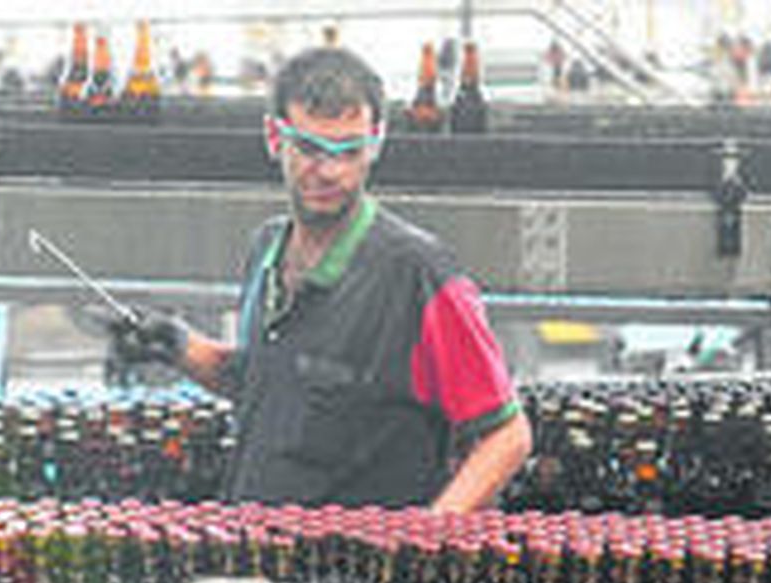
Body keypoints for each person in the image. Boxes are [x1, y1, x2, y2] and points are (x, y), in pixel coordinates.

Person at [110, 47, 531, 512]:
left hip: (357, 572)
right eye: (310, 149)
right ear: (274, 137)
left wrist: (428, 534)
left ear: (376, 143)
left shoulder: (417, 273)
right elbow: (272, 382)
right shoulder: (267, 248)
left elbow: (506, 436)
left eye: (348, 151)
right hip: (259, 551)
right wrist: (178, 346)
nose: (329, 171)